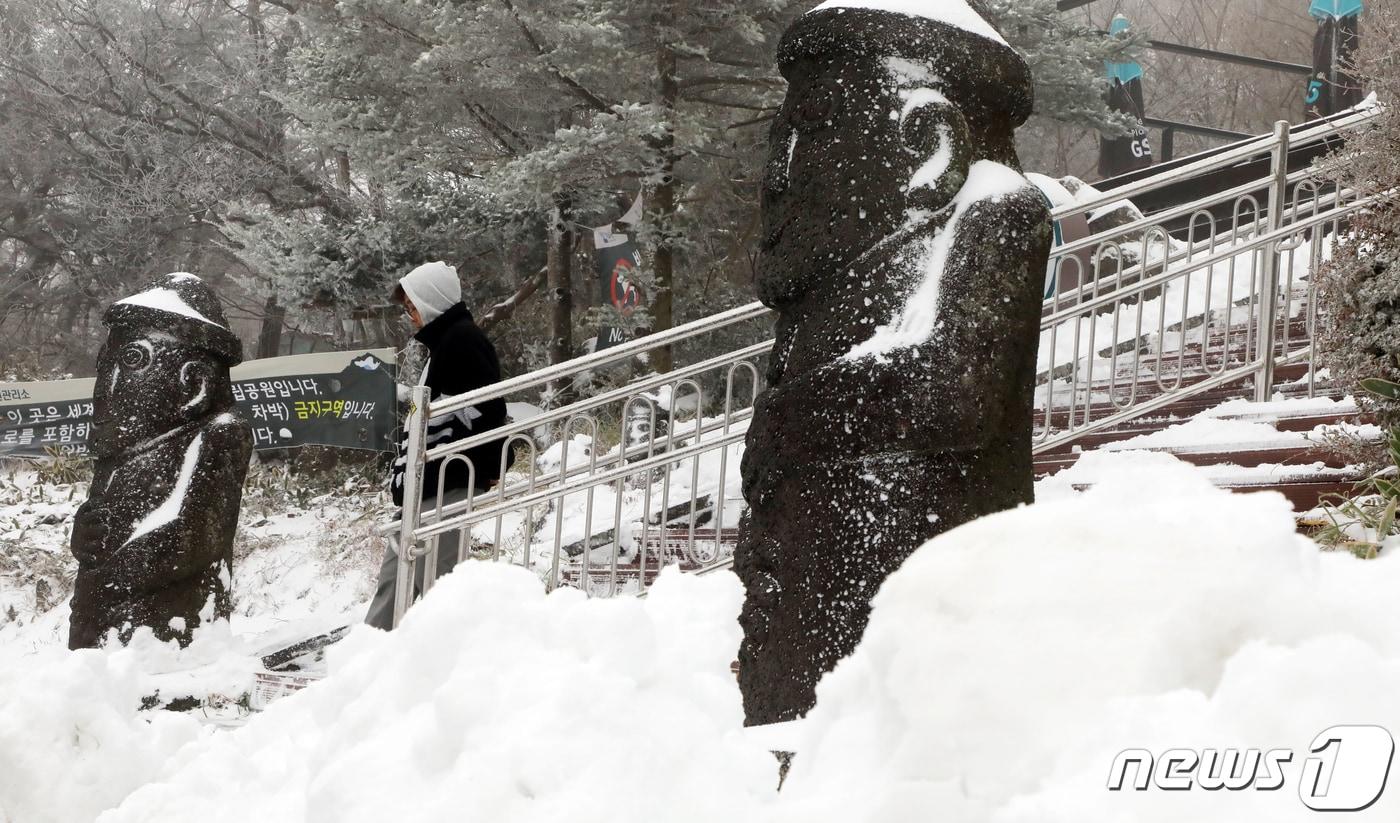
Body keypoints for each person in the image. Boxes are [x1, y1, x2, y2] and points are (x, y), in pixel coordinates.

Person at [364, 261, 511, 629]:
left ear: (432, 301)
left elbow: (488, 408)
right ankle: (367, 660)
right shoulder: (446, 343)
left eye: (412, 305)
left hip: (446, 480)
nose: (410, 315)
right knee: (396, 578)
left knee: (435, 582)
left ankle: (445, 660)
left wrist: (490, 466)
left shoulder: (462, 340)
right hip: (428, 481)